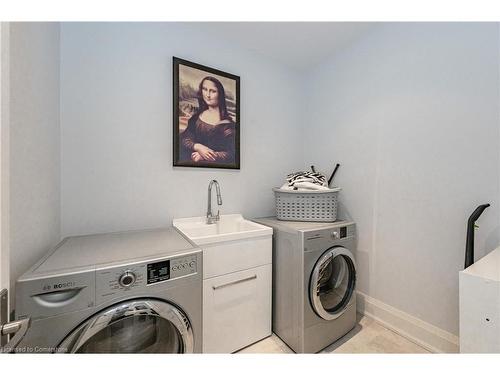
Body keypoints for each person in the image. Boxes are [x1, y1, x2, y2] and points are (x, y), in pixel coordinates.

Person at [180, 76, 236, 164]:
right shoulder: (196, 118)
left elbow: (232, 154)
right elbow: (185, 138)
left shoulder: (228, 125)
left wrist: (205, 156)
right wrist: (197, 146)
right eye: (205, 89)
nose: (208, 95)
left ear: (220, 94)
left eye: (213, 91)